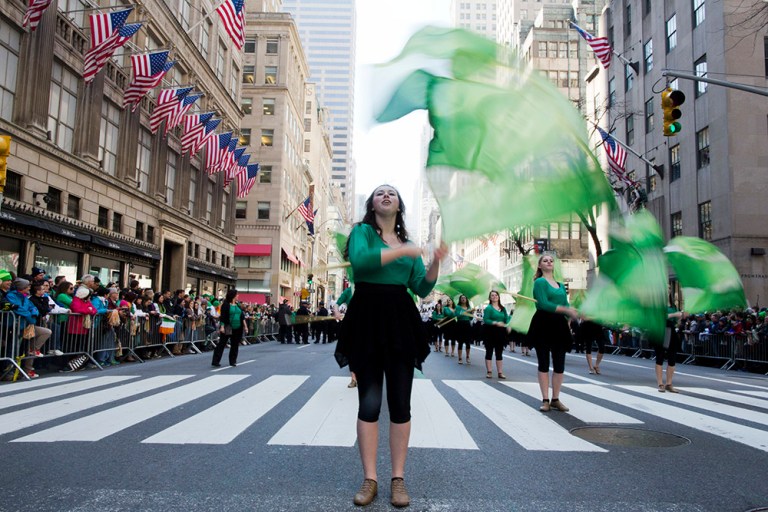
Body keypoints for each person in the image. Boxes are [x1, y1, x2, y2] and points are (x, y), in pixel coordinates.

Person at [334, 184, 446, 508]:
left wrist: (435, 262)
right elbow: (362, 263)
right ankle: (370, 478)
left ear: (399, 205)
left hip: (399, 320)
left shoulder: (409, 245)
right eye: (380, 192)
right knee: (369, 404)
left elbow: (421, 287)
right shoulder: (362, 232)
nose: (386, 195)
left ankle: (398, 479)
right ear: (372, 203)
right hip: (367, 316)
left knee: (400, 404)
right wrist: (404, 252)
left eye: (392, 193)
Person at [529, 255, 579, 412]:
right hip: (543, 324)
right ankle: (545, 399)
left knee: (559, 364)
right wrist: (565, 310)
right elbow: (543, 304)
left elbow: (566, 303)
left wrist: (572, 315)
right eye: (545, 260)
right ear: (539, 266)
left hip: (559, 326)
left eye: (551, 260)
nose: (549, 262)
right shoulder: (539, 282)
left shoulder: (560, 285)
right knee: (543, 362)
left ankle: (555, 399)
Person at [211, 289, 247, 367]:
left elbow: (242, 316)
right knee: (222, 343)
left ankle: (233, 361)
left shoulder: (237, 305)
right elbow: (223, 316)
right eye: (237, 294)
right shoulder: (226, 304)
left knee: (235, 345)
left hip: (238, 327)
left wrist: (245, 326)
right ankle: (215, 361)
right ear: (233, 295)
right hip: (228, 326)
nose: (238, 296)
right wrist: (222, 326)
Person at [657, 301, 684, 393]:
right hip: (661, 329)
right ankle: (660, 384)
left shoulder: (673, 305)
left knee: (672, 357)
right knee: (660, 356)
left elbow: (677, 322)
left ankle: (669, 384)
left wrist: (680, 317)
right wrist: (674, 314)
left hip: (671, 329)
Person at [482, 290, 509, 379]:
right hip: (490, 332)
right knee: (489, 351)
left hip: (500, 333)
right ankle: (489, 371)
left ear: (498, 297)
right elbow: (486, 320)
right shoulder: (488, 308)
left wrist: (508, 325)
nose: (494, 297)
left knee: (499, 352)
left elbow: (507, 318)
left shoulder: (503, 308)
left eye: (496, 295)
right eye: (492, 295)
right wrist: (495, 323)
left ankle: (500, 372)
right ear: (490, 298)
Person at [455, 294, 473, 365]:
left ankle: (468, 356)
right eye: (462, 298)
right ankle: (460, 358)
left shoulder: (469, 307)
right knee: (460, 342)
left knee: (468, 342)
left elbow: (470, 318)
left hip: (467, 324)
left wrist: (471, 313)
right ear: (460, 299)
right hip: (460, 324)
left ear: (466, 299)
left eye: (464, 298)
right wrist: (467, 312)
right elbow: (458, 315)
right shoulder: (458, 307)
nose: (463, 299)